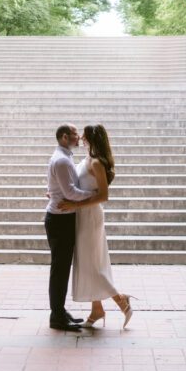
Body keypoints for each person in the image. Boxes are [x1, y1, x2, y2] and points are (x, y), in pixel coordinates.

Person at [58, 124, 135, 329]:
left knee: (93, 264)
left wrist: (75, 204)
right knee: (87, 263)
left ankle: (121, 300)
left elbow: (103, 196)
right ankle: (97, 309)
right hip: (82, 215)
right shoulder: (87, 159)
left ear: (91, 139)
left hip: (91, 216)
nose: (81, 138)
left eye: (84, 135)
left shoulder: (97, 163)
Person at [45, 123, 94, 331]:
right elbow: (71, 193)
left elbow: (60, 188)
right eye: (74, 134)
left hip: (61, 218)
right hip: (60, 220)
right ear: (64, 137)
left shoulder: (63, 157)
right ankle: (57, 316)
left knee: (61, 269)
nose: (78, 136)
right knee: (60, 270)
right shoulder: (62, 160)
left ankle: (59, 311)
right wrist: (95, 195)